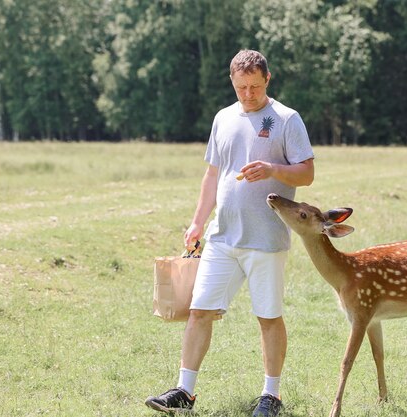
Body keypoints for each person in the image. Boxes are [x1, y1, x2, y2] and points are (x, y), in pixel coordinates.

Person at [145, 49, 314, 416]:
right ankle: (184, 392)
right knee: (199, 311)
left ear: (268, 80)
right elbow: (212, 176)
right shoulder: (223, 118)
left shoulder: (287, 119)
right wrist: (197, 222)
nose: (248, 94)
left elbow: (307, 173)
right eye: (241, 87)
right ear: (232, 83)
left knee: (268, 317)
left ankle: (272, 396)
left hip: (266, 239)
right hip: (222, 238)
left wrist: (272, 169)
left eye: (255, 86)